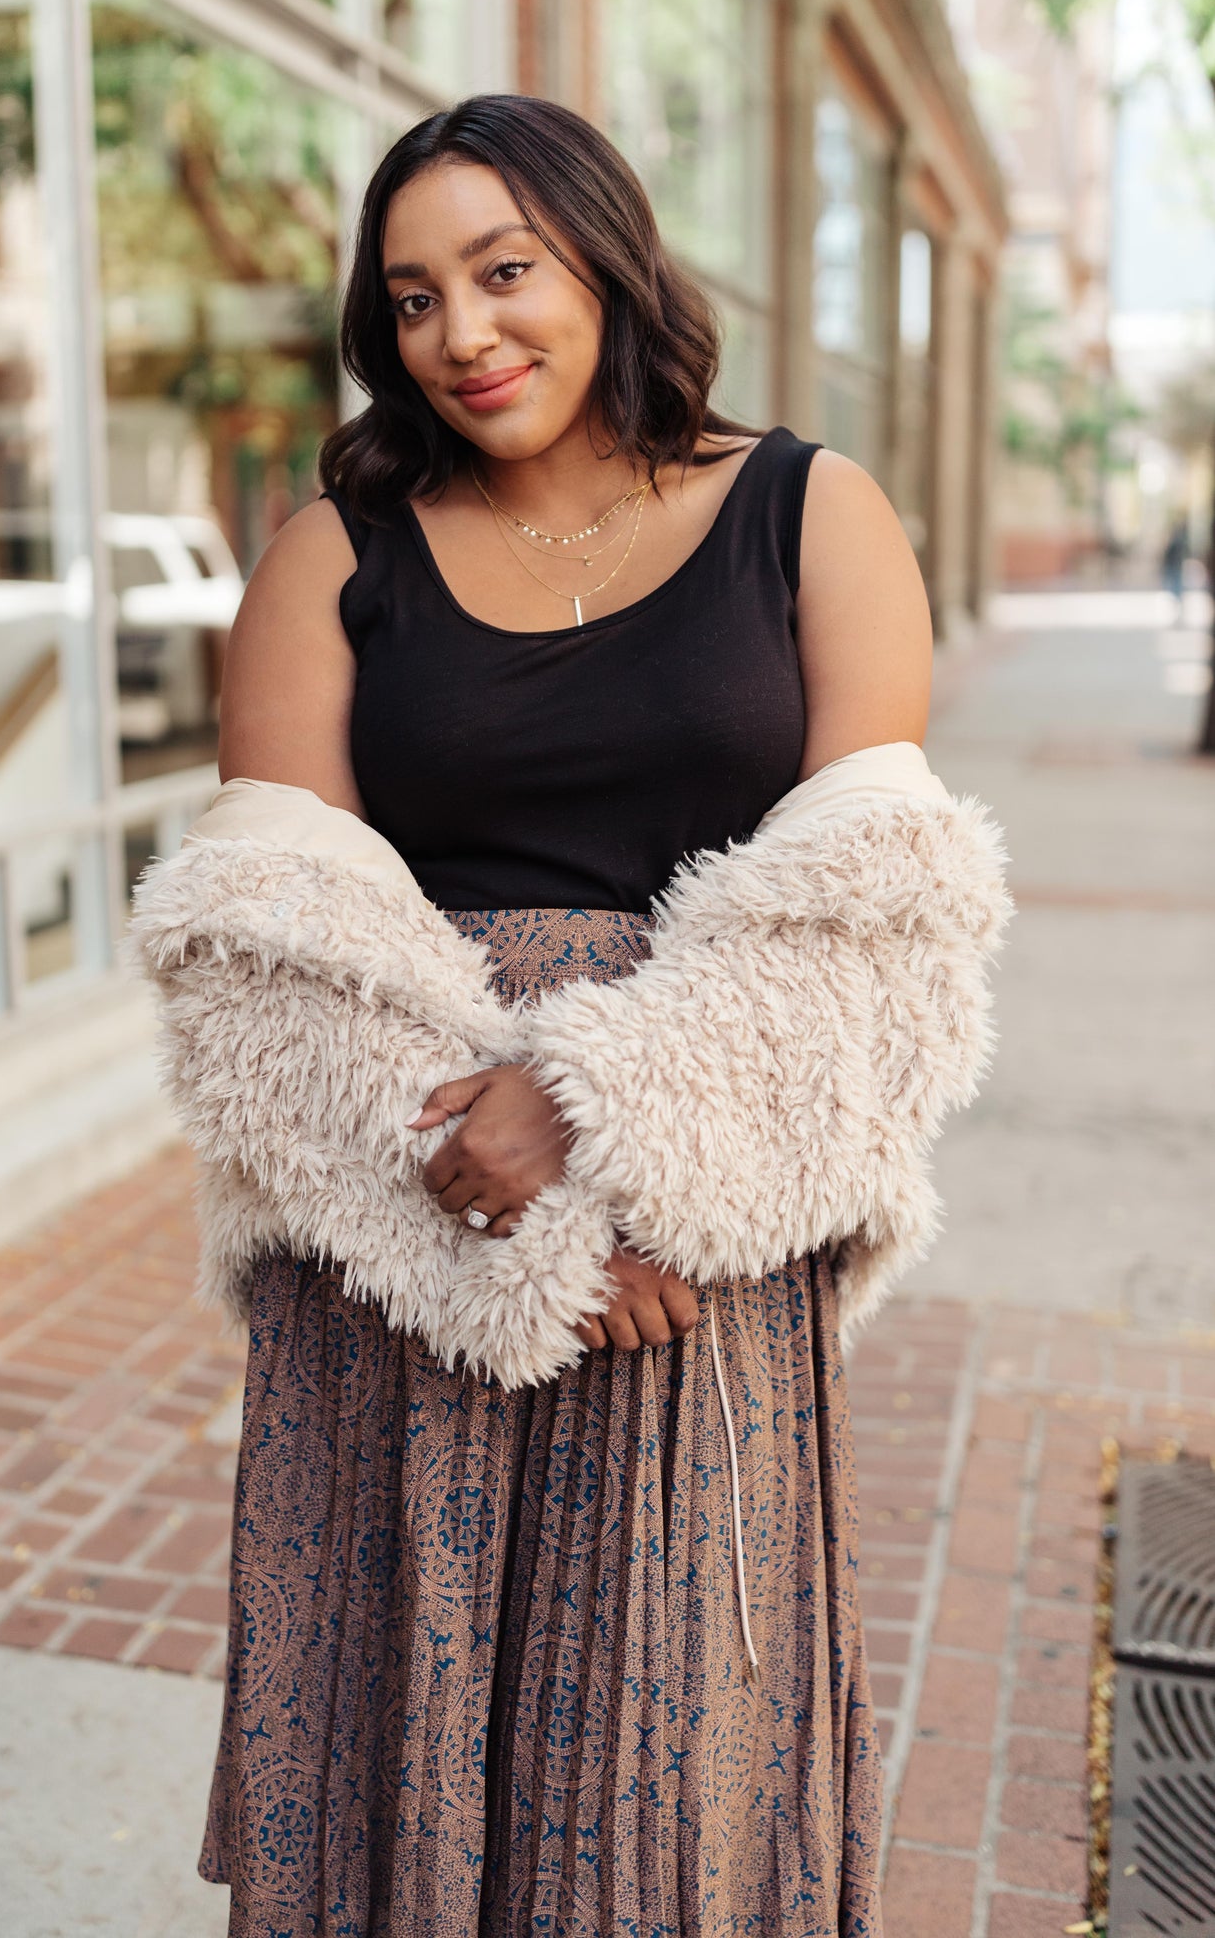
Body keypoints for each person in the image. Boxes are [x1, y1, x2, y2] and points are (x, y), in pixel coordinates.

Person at [133, 93, 1008, 1936]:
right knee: (399, 1750)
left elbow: (885, 922)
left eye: (504, 271)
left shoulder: (808, 513)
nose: (464, 332)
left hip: (705, 1263)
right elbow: (256, 946)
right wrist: (498, 1200)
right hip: (402, 1242)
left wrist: (620, 1133)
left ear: (605, 261)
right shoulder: (334, 553)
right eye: (415, 296)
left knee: (667, 1774)